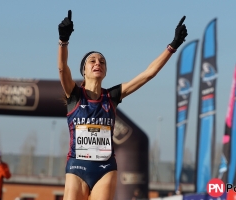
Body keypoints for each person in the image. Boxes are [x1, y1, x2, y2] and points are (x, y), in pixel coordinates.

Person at [57, 10, 188, 200]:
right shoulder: (75, 94)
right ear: (83, 70)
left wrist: (173, 45)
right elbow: (62, 67)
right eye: (92, 61)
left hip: (105, 169)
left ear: (106, 71)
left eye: (102, 61)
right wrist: (63, 40)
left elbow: (148, 74)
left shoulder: (112, 95)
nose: (97, 63)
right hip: (77, 167)